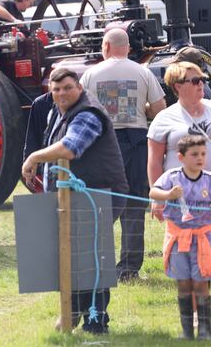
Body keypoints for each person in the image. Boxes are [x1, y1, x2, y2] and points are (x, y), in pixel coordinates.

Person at [22, 68, 129, 334]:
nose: (61, 94)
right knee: (73, 259)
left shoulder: (87, 114)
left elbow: (70, 148)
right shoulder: (56, 111)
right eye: (56, 89)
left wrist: (35, 157)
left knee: (91, 258)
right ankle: (72, 314)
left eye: (67, 88)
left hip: (94, 196)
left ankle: (96, 322)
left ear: (79, 88)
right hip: (73, 199)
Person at [80, 28, 166, 281]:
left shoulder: (91, 74)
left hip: (102, 143)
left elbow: (82, 111)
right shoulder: (142, 71)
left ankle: (99, 265)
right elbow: (160, 110)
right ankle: (128, 269)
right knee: (134, 205)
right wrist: (142, 108)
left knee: (100, 204)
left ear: (105, 46)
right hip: (136, 141)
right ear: (127, 47)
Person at [150, 135, 211, 340]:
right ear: (181, 157)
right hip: (178, 239)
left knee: (201, 283)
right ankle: (186, 332)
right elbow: (153, 191)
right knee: (183, 283)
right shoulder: (172, 177)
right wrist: (168, 196)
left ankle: (204, 330)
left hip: (203, 240)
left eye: (203, 154)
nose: (200, 158)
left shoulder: (208, 180)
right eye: (194, 154)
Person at [148, 61, 211, 214]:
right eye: (195, 81)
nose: (201, 84)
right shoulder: (164, 118)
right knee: (183, 237)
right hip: (181, 198)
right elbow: (154, 161)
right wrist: (158, 197)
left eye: (203, 79)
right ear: (178, 86)